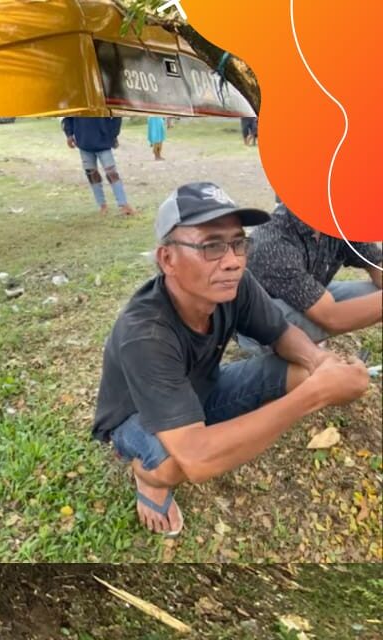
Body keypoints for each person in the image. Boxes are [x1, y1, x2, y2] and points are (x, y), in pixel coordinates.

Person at [92, 183, 370, 537]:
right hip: (138, 416)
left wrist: (321, 363)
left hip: (203, 391)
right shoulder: (145, 333)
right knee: (173, 463)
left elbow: (280, 333)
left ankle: (204, 423)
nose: (233, 260)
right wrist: (314, 395)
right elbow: (197, 459)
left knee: (302, 369)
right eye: (211, 246)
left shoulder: (235, 284)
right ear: (167, 259)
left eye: (239, 243)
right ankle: (146, 477)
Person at [240, 204, 382, 351]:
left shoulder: (337, 220)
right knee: (371, 306)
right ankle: (282, 352)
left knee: (373, 294)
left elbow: (376, 263)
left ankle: (311, 340)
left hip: (308, 296)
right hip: (263, 322)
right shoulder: (273, 242)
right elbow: (331, 318)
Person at [62, 117, 136, 215]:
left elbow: (116, 116)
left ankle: (123, 204)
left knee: (112, 173)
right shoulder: (76, 101)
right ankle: (102, 205)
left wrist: (113, 135)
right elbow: (68, 115)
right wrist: (69, 134)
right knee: (92, 175)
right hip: (84, 142)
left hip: (103, 141)